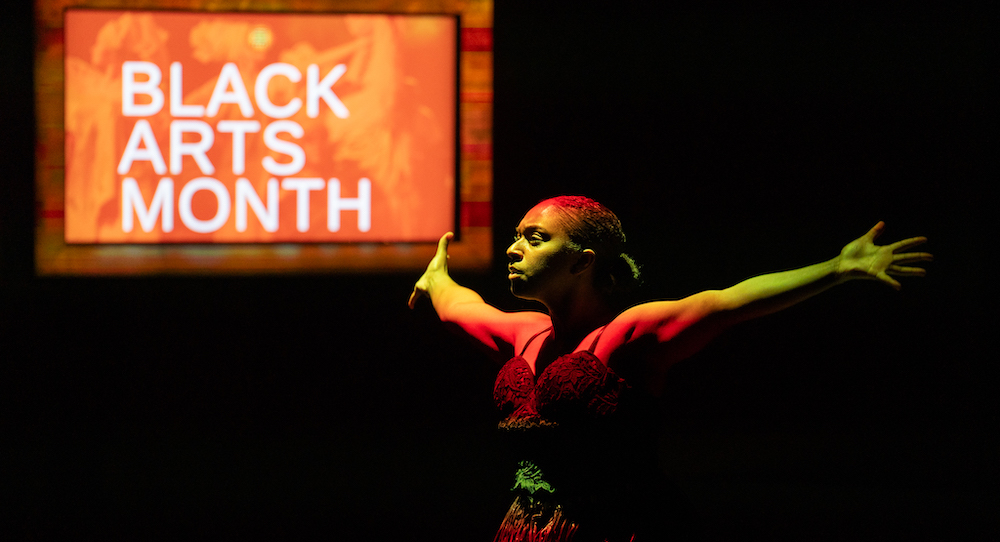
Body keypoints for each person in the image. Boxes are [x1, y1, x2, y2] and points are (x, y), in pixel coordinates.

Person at [408, 195, 931, 541]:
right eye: (517, 235)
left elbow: (728, 302)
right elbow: (462, 307)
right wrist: (437, 280)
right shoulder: (523, 334)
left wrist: (838, 268)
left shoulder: (628, 335)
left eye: (534, 238)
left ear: (583, 261)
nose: (512, 247)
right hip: (528, 530)